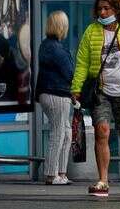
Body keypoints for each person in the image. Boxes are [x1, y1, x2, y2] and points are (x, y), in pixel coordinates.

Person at [71, 0, 120, 197]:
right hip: (101, 92)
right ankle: (103, 180)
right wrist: (76, 89)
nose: (103, 12)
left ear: (116, 9)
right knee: (102, 131)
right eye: (100, 9)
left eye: (107, 8)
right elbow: (82, 63)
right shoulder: (91, 32)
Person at [35, 10, 74, 185]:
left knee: (66, 133)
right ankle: (52, 175)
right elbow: (70, 73)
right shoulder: (56, 49)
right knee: (58, 133)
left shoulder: (46, 45)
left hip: (50, 93)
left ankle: (61, 173)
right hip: (56, 94)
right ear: (61, 27)